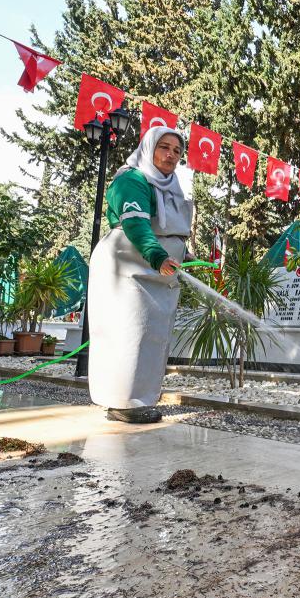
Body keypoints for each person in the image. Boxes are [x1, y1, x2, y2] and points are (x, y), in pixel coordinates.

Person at [88, 125, 193, 423]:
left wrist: (182, 252)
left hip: (158, 272)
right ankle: (121, 402)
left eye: (177, 150)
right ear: (148, 148)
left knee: (153, 336)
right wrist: (158, 255)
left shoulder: (171, 186)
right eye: (164, 147)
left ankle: (140, 398)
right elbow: (136, 224)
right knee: (129, 333)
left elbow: (169, 228)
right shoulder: (132, 179)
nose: (171, 155)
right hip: (128, 267)